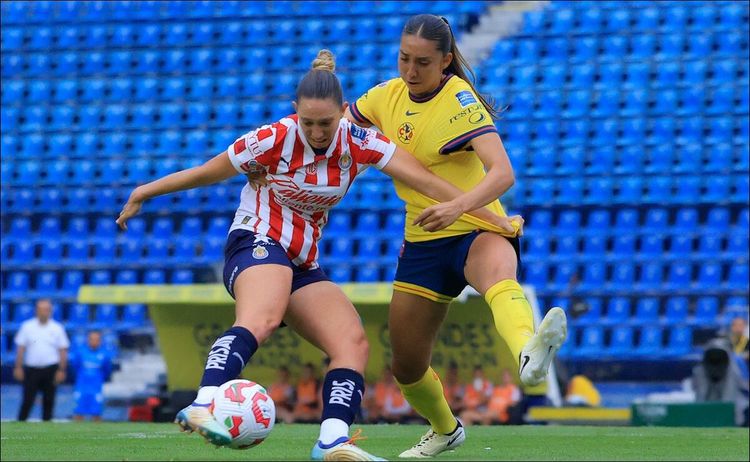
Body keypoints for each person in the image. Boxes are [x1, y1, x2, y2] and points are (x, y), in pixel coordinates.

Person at [116, 49, 518, 460]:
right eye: (307, 122)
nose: (317, 132)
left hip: (302, 261)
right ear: (295, 112)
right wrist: (143, 192)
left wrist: (493, 221)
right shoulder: (272, 139)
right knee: (262, 317)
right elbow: (206, 172)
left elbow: (429, 182)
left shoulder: (360, 142)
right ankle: (204, 403)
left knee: (352, 342)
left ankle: (331, 440)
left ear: (344, 112)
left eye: (326, 122)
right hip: (256, 241)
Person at [344, 14, 568, 457]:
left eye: (423, 63)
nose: (410, 71)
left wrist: (457, 207)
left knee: (498, 279)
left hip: (478, 224)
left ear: (445, 61)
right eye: (404, 59)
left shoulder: (460, 101)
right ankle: (446, 430)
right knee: (406, 365)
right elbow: (338, 135)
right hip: (424, 240)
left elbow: (503, 173)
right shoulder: (383, 96)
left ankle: (529, 351)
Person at [13, 298, 70, 422]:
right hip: (31, 369)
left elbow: (63, 351)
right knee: (28, 399)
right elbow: (21, 349)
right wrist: (18, 367)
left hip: (50, 369)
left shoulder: (57, 328)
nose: (44, 312)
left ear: (51, 311)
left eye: (47, 309)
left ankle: (47, 427)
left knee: (49, 400)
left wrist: (61, 370)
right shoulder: (27, 326)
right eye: (42, 309)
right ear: (36, 311)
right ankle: (19, 426)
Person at [70, 330, 113, 422]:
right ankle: (75, 435)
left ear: (100, 341)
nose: (94, 341)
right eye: (92, 339)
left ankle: (98, 435)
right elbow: (75, 367)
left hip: (96, 388)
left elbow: (107, 370)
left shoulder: (105, 354)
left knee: (97, 413)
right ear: (88, 340)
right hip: (82, 387)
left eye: (97, 339)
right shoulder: (80, 353)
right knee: (78, 413)